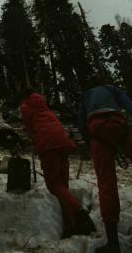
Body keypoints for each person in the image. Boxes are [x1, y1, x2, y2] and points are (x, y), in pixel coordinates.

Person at [78, 80, 132, 253]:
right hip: (119, 126)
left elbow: (82, 124)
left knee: (107, 186)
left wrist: (91, 147)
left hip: (97, 132)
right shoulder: (111, 89)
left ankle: (113, 244)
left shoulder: (85, 96)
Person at [20, 88, 95, 238]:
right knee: (63, 185)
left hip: (48, 144)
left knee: (54, 184)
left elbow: (30, 128)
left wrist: (31, 136)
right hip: (62, 142)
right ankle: (71, 225)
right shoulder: (44, 105)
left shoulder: (25, 106)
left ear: (24, 97)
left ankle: (79, 212)